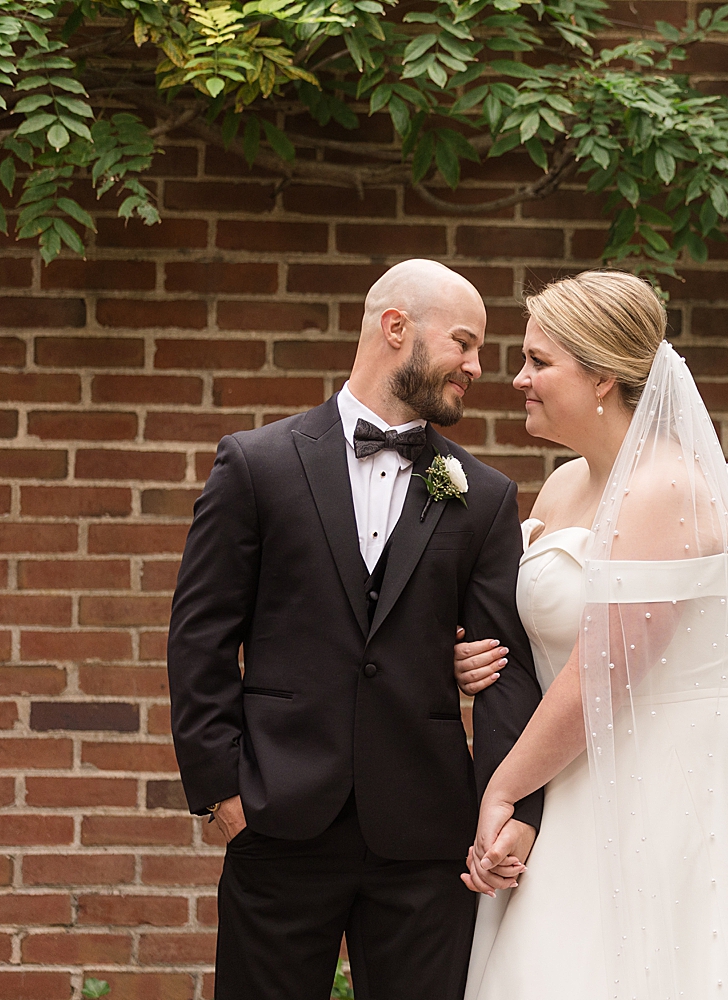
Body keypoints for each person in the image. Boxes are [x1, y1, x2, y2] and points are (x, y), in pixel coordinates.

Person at [454, 270, 728, 1000]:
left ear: (604, 375)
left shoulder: (664, 488)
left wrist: (504, 789)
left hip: (665, 796)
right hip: (574, 778)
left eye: (539, 361)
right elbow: (542, 642)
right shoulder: (562, 486)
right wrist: (475, 660)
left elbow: (601, 678)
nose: (518, 378)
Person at [167, 259, 543, 1000]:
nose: (477, 366)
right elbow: (200, 637)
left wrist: (507, 807)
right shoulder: (257, 464)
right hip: (277, 818)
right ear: (394, 328)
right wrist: (222, 792)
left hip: (426, 832)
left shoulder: (487, 497)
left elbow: (509, 669)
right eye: (464, 344)